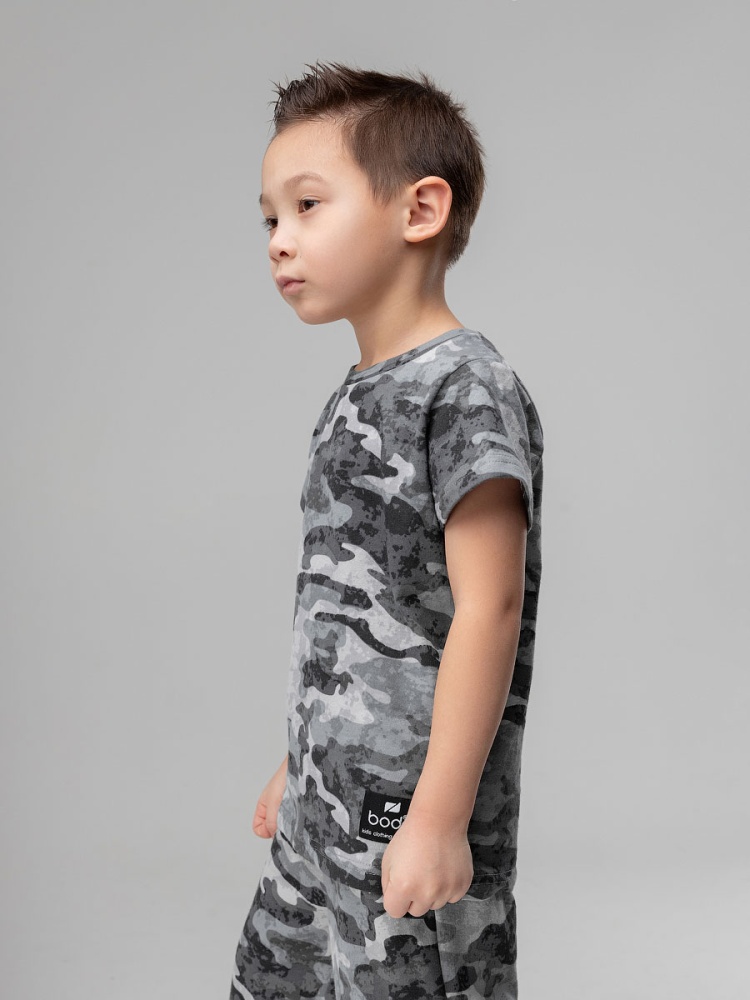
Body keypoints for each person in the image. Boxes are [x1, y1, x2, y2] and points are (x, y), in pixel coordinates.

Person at [229, 60, 544, 1000]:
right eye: (269, 219)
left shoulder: (465, 388)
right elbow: (350, 606)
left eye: (307, 206)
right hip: (323, 809)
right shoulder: (357, 394)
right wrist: (299, 765)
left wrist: (439, 820)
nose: (280, 241)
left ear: (420, 210)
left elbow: (488, 610)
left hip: (402, 815)